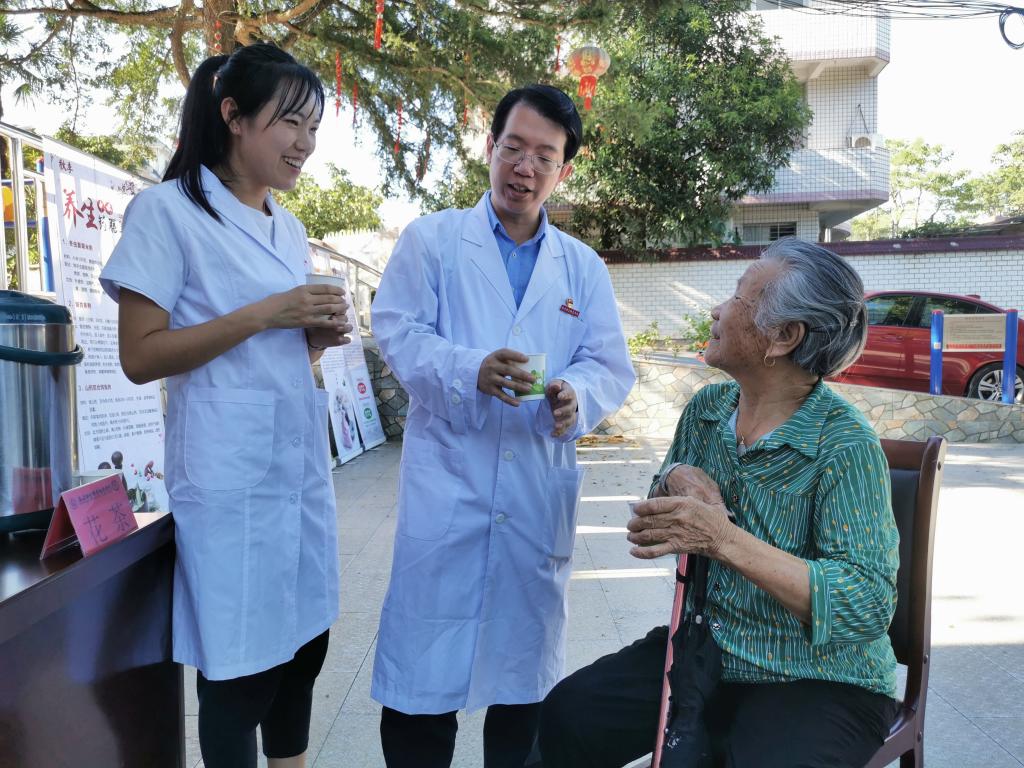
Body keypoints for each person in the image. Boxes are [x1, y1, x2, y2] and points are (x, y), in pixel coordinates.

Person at [539, 238, 902, 768]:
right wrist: (673, 481)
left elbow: (866, 605)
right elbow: (653, 520)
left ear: (784, 336)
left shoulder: (844, 445)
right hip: (709, 648)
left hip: (818, 676)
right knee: (569, 714)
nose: (717, 309)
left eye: (737, 296)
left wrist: (723, 539)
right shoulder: (708, 410)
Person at [99, 43, 351, 768]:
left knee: (302, 653)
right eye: (290, 122)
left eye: (313, 127)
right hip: (229, 485)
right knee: (239, 676)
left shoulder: (287, 225)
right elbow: (140, 355)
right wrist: (269, 313)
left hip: (297, 474)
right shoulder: (167, 212)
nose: (305, 143)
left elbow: (269, 361)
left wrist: (310, 341)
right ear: (234, 116)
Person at [369, 84, 635, 768]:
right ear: (490, 148)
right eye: (513, 148)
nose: (525, 167)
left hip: (533, 496)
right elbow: (396, 329)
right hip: (448, 491)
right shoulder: (432, 241)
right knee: (421, 691)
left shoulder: (582, 266)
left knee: (522, 697)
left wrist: (577, 395)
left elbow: (610, 363)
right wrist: (469, 369)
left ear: (563, 171)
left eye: (544, 156)